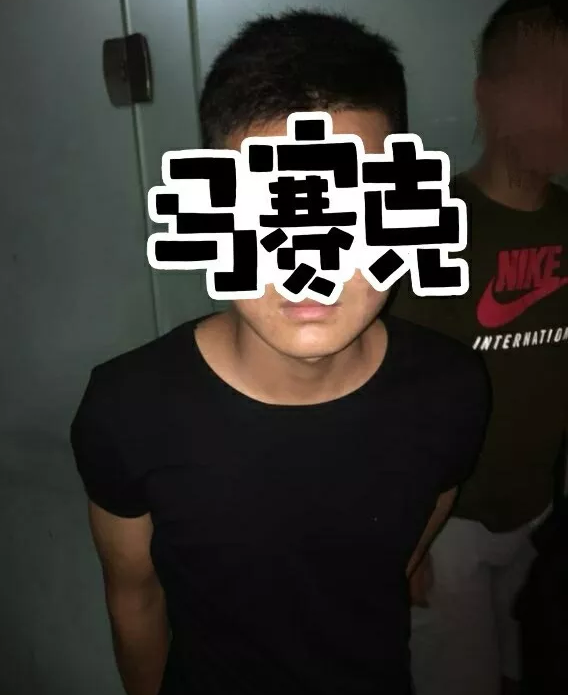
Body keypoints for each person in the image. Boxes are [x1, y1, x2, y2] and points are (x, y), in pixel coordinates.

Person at [70, 11, 490, 695]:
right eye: (268, 212)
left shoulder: (454, 389)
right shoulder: (126, 410)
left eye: (350, 209)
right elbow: (134, 598)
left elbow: (405, 555)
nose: (309, 258)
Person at [390, 2, 568, 695]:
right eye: (544, 82)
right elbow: (387, 395)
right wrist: (407, 540)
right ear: (487, 96)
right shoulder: (429, 223)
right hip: (448, 525)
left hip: (544, 510)